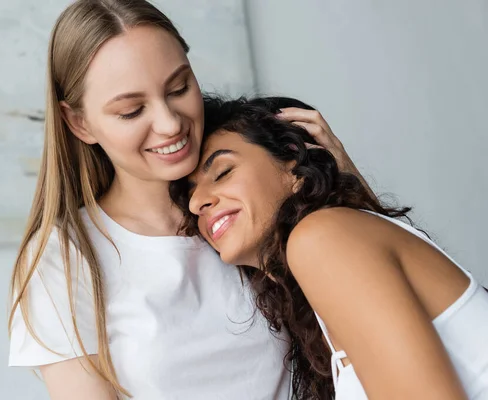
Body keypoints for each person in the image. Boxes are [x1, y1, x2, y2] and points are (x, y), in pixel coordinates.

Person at [7, 1, 360, 399]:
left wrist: (343, 186)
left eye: (179, 88)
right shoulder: (65, 259)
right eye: (132, 110)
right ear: (79, 122)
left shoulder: (252, 197)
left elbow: (376, 323)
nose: (170, 122)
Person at [174, 95, 488, 400]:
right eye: (190, 195)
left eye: (223, 172)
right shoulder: (334, 247)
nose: (198, 201)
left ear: (292, 161)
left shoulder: (320, 237)